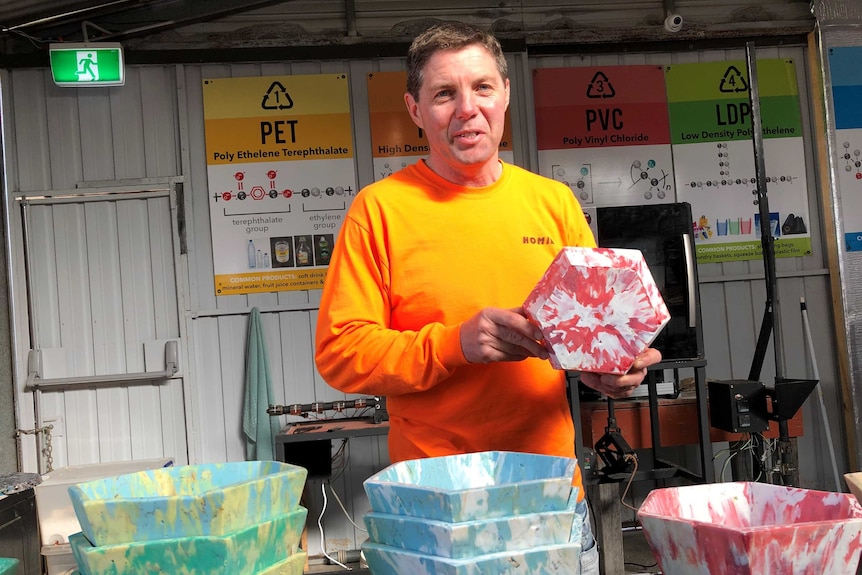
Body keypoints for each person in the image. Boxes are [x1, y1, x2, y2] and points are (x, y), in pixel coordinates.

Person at [314, 21, 662, 573]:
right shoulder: (379, 211)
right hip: (437, 507)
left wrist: (610, 369)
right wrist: (453, 345)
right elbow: (339, 352)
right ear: (414, 109)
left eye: (481, 87)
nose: (466, 109)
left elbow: (597, 333)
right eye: (444, 94)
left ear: (504, 93)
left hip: (548, 493)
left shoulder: (553, 204)